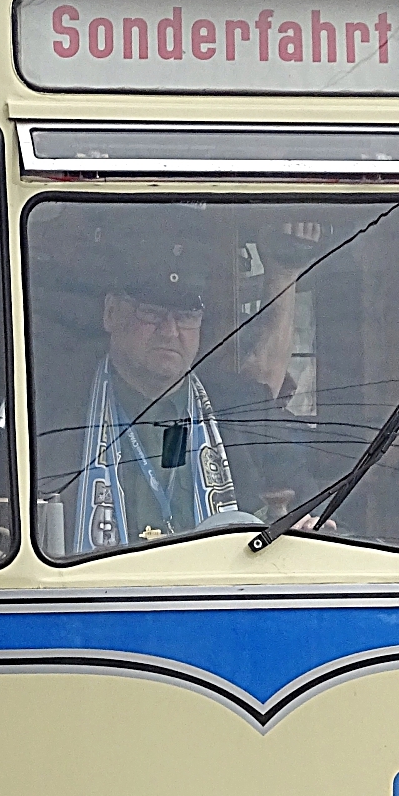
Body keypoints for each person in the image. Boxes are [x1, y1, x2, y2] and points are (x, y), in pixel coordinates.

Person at [71, 224, 238, 553]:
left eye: (187, 315)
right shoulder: (45, 412)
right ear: (111, 313)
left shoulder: (241, 408)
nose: (170, 331)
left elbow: (295, 499)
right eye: (151, 312)